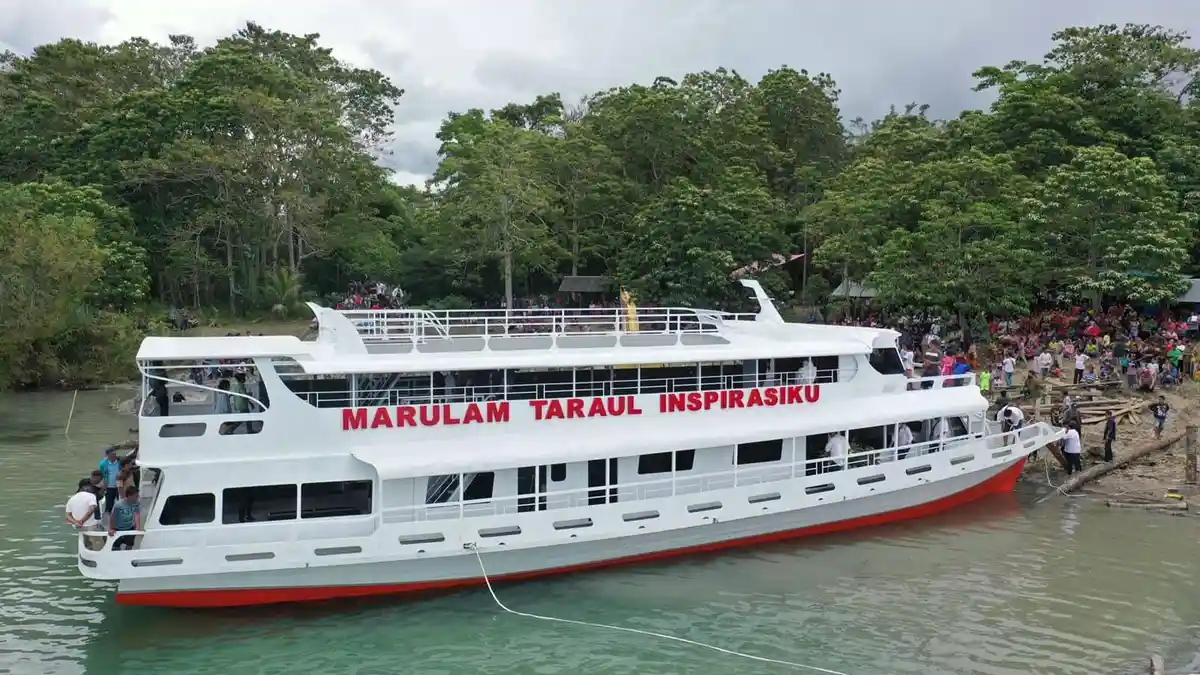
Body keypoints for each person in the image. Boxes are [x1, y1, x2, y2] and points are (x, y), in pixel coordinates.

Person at [108, 486, 141, 551]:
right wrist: (111, 529)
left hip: (130, 527)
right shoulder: (118, 505)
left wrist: (138, 526)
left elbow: (137, 514)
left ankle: (127, 556)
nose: (138, 498)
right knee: (116, 547)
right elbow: (112, 517)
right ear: (129, 496)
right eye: (136, 496)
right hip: (118, 529)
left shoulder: (137, 503)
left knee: (130, 545)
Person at [98, 447, 122, 515]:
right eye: (112, 454)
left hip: (119, 486)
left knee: (121, 502)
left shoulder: (120, 461)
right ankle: (110, 519)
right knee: (109, 505)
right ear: (107, 455)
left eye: (114, 454)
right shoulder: (103, 464)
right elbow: (102, 475)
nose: (114, 456)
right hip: (109, 487)